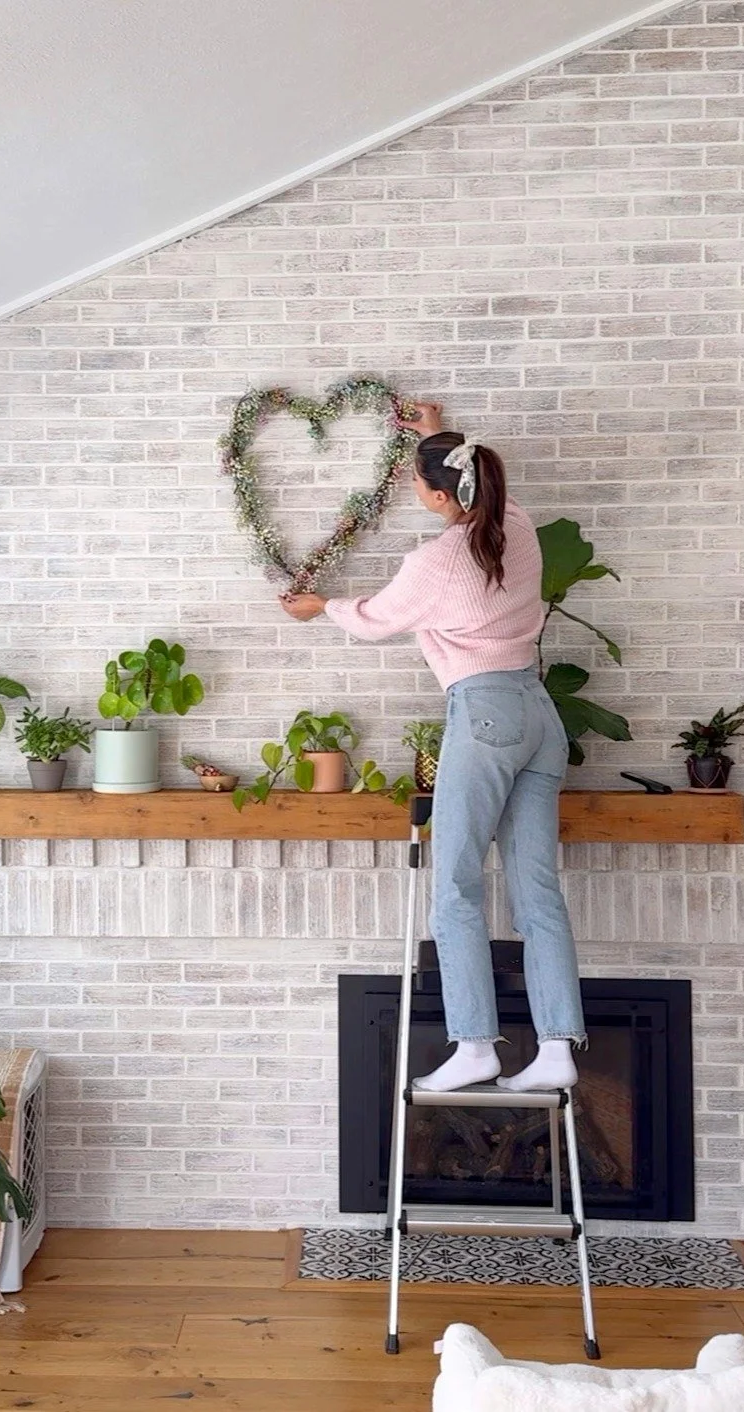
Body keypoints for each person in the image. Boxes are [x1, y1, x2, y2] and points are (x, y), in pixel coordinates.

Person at [280, 402, 585, 1092]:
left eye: (419, 486)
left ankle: (476, 1045)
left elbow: (374, 620)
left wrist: (319, 606)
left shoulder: (438, 559)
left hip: (483, 714)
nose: (416, 495)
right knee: (537, 892)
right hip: (539, 718)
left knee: (453, 886)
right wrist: (431, 439)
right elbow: (468, 488)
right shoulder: (517, 526)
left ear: (439, 495)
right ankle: (557, 1046)